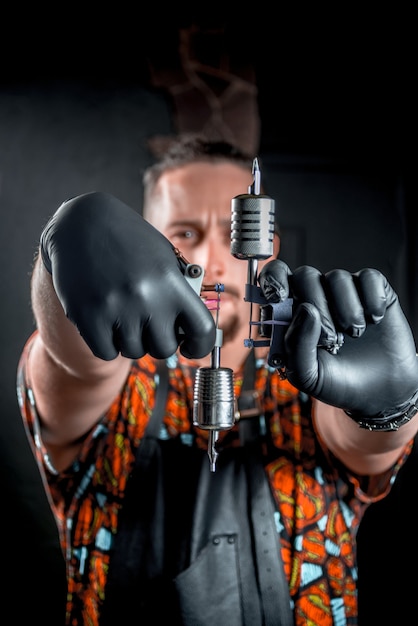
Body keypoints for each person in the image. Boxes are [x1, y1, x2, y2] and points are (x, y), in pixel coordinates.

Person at [17, 134, 418, 626]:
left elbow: (368, 446)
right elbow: (70, 360)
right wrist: (64, 260)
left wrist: (390, 408)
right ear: (138, 245)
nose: (210, 259)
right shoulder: (123, 378)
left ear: (267, 245)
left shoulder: (308, 371)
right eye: (183, 233)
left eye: (232, 232)